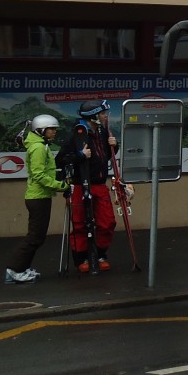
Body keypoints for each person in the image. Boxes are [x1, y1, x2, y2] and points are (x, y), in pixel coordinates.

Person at [5, 114, 70, 284]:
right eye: (51, 129)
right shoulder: (39, 148)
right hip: (38, 198)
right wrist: (62, 186)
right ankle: (14, 270)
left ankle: (22, 268)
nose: (54, 132)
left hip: (40, 197)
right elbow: (39, 175)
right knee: (34, 237)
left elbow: (45, 172)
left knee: (37, 237)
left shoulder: (40, 145)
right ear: (41, 130)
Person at [58, 100, 118, 273]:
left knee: (107, 222)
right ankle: (81, 258)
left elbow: (104, 156)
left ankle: (99, 254)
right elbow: (61, 159)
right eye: (102, 113)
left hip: (99, 184)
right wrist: (80, 155)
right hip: (80, 184)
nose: (105, 116)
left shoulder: (102, 132)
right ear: (94, 116)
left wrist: (114, 145)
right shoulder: (77, 135)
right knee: (81, 223)